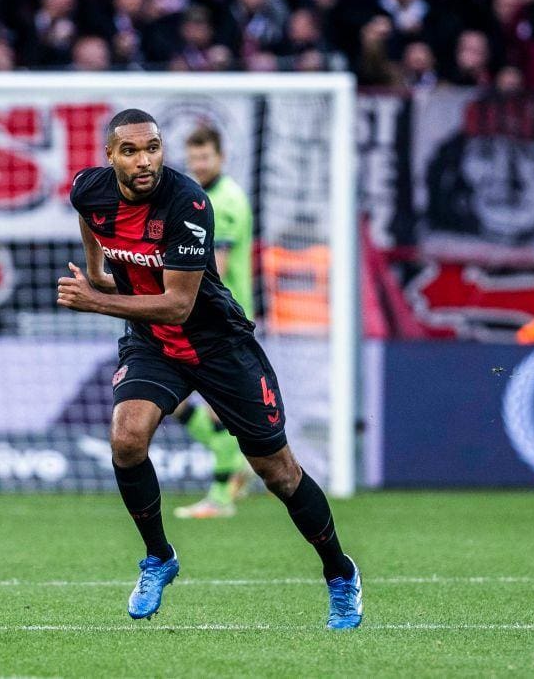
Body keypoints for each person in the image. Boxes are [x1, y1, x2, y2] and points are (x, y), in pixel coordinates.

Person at [59, 108, 362, 628]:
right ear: (110, 157)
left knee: (278, 472)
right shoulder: (89, 189)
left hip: (218, 345)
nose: (143, 159)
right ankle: (159, 558)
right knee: (127, 439)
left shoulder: (188, 203)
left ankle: (340, 573)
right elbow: (88, 217)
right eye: (129, 151)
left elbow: (178, 305)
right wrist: (98, 273)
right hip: (154, 344)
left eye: (152, 147)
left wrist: (95, 300)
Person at [171, 125, 255, 520]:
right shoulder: (200, 198)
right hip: (198, 316)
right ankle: (237, 464)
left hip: (221, 318)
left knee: (219, 409)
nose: (200, 165)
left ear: (221, 158)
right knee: (175, 403)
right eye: (194, 160)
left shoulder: (228, 201)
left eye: (206, 158)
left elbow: (214, 269)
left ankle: (221, 497)